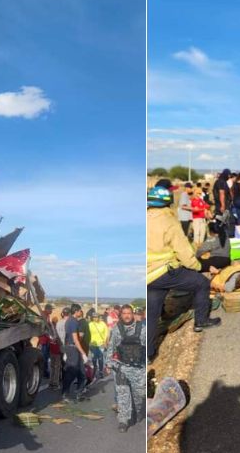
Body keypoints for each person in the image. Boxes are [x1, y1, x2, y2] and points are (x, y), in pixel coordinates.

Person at [147, 185, 220, 362]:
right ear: (169, 203)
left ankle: (148, 355)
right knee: (201, 283)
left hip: (148, 275)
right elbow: (185, 254)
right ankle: (200, 321)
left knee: (151, 313)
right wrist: (199, 266)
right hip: (164, 271)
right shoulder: (169, 221)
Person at [106, 304, 146, 432]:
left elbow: (146, 348)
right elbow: (110, 348)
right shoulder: (116, 330)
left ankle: (138, 412)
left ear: (133, 314)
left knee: (139, 396)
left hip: (139, 369)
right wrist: (109, 364)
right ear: (121, 315)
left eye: (129, 313)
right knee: (123, 395)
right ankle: (123, 420)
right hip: (122, 368)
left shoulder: (142, 329)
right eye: (124, 313)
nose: (127, 316)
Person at [62, 304, 89, 401]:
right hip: (73, 349)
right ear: (76, 311)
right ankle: (65, 393)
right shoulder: (73, 322)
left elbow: (66, 337)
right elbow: (75, 339)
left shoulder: (69, 320)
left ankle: (79, 393)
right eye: (80, 311)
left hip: (71, 348)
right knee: (71, 372)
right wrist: (83, 353)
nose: (80, 312)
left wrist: (66, 350)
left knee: (82, 372)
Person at [88, 311, 110, 378]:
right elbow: (87, 334)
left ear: (99, 317)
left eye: (96, 317)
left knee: (100, 358)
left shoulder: (103, 324)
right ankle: (94, 369)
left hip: (101, 344)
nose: (95, 318)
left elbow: (107, 333)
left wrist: (106, 342)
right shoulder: (90, 324)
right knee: (94, 358)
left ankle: (100, 371)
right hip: (93, 344)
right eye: (94, 317)